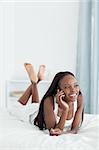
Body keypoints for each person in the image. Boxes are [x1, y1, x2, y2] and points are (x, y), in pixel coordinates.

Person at [18, 63, 84, 136]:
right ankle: (35, 82)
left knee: (35, 103)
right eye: (67, 87)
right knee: (18, 106)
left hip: (40, 109)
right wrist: (65, 110)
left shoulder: (79, 98)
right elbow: (54, 130)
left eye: (76, 85)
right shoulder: (49, 100)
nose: (73, 90)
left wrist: (64, 133)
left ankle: (36, 81)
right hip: (33, 114)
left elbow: (74, 129)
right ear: (58, 90)